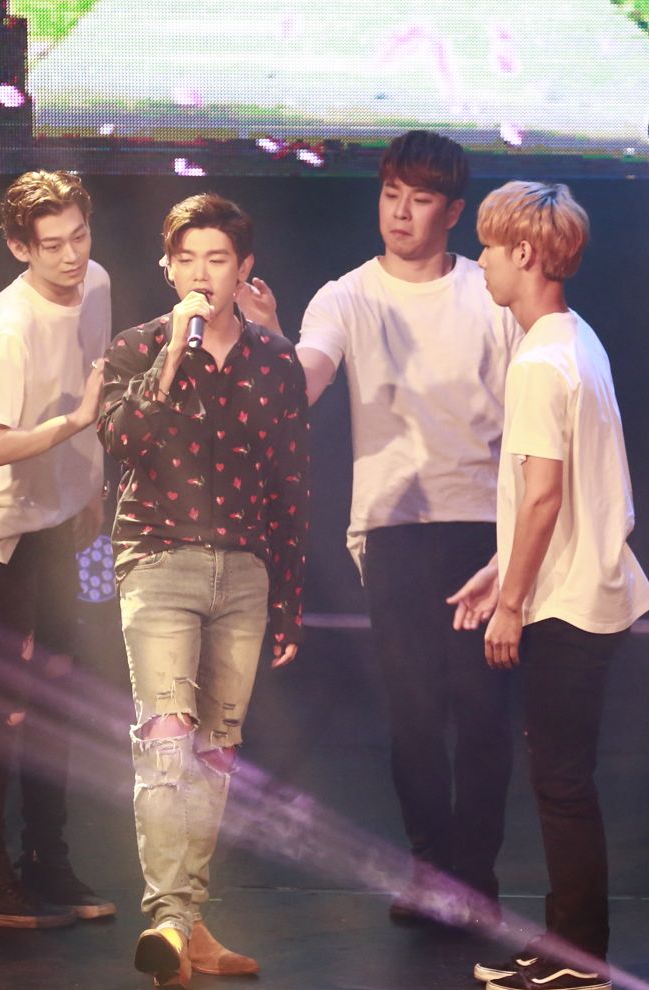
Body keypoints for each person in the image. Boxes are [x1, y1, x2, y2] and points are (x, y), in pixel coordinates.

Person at [238, 130, 521, 927]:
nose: (400, 212)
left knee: (483, 710)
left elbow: (534, 411)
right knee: (414, 711)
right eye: (391, 194)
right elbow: (303, 384)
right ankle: (429, 868)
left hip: (484, 525)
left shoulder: (490, 294)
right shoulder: (347, 296)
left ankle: (476, 877)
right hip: (393, 526)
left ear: (453, 212)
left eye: (420, 199)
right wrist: (268, 338)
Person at [448, 181, 649, 990]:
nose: (482, 262)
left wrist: (511, 604)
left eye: (490, 247)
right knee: (563, 782)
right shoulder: (575, 339)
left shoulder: (540, 361)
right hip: (581, 588)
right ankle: (567, 942)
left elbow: (544, 495)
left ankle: (579, 959)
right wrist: (501, 570)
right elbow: (557, 498)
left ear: (526, 254)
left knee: (562, 786)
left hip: (567, 605)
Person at [97, 192, 309, 990]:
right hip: (158, 558)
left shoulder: (275, 361)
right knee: (166, 738)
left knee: (216, 753)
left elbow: (292, 483)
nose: (200, 274)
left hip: (245, 570)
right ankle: (167, 918)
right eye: (185, 259)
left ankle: (182, 923)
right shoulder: (137, 347)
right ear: (167, 267)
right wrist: (171, 360)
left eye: (216, 259)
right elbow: (121, 438)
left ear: (244, 269)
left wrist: (289, 597)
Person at [0, 170, 115, 928]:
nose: (71, 256)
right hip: (1, 534)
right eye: (52, 245)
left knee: (54, 696)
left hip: (55, 521)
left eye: (79, 236)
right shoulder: (9, 325)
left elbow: (94, 383)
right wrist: (70, 428)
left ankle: (49, 861)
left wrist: (90, 483)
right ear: (20, 247)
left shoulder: (97, 282)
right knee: (4, 710)